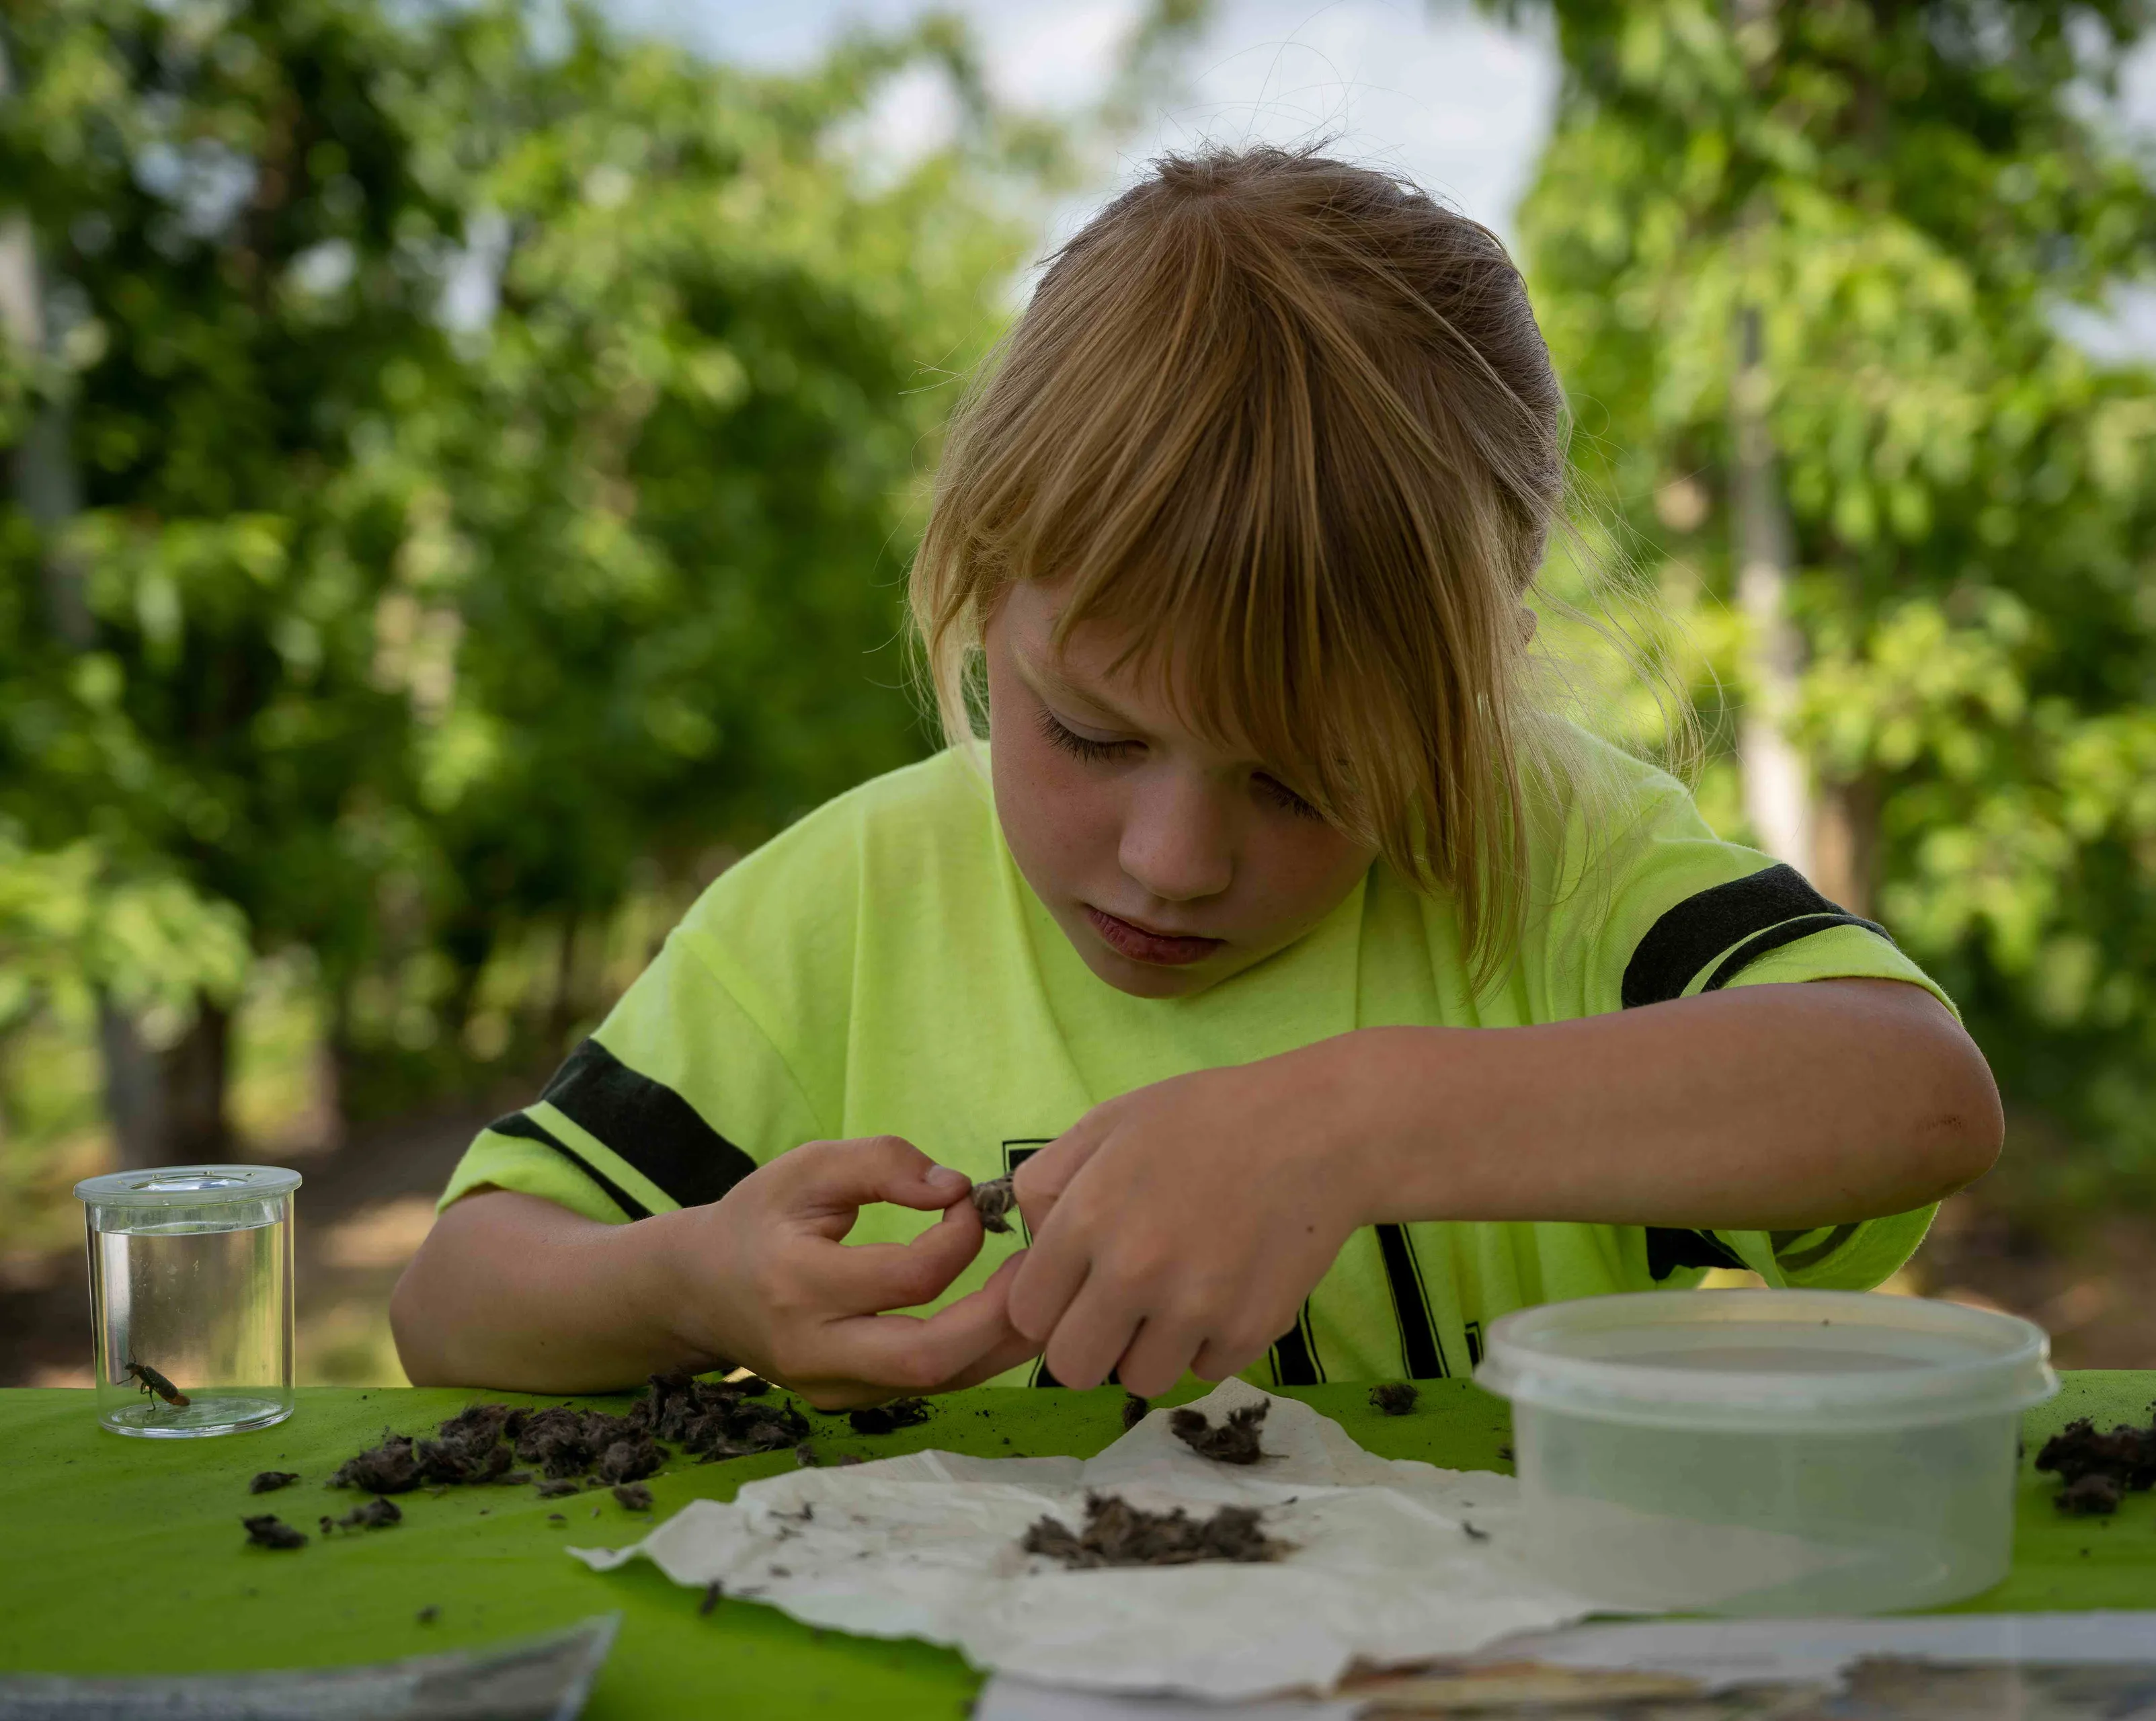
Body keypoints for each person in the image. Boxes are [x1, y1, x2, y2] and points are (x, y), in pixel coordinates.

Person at [391, 147, 2001, 1406]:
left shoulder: (1546, 850)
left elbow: (1914, 1095)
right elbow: (457, 1297)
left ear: (1475, 686)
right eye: (1091, 734)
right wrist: (683, 1283)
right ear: (979, 586)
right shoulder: (849, 902)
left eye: (1304, 779)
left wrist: (1352, 1123)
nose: (1169, 860)